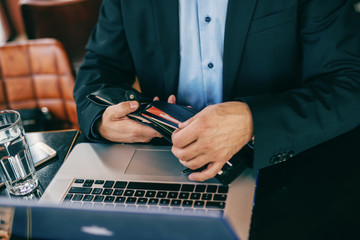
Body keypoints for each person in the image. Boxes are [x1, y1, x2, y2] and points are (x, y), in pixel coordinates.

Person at [74, 0, 360, 182]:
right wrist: (102, 119)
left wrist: (253, 121)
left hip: (282, 169)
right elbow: (98, 69)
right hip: (167, 166)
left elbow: (349, 83)